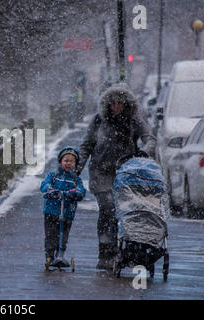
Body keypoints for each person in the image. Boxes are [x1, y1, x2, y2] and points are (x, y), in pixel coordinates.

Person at [76, 82, 157, 270]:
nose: (117, 107)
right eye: (113, 103)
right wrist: (76, 169)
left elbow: (150, 139)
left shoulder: (133, 120)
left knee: (128, 211)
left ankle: (128, 249)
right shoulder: (99, 120)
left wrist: (144, 152)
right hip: (101, 172)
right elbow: (87, 145)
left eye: (120, 103)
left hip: (126, 172)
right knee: (107, 208)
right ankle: (106, 252)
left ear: (126, 104)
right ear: (108, 104)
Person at [40, 146, 86, 269]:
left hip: (67, 213)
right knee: (51, 234)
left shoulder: (76, 179)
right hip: (51, 211)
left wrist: (76, 192)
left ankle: (60, 254)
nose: (68, 163)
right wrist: (51, 190)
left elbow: (81, 191)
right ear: (61, 161)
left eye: (71, 161)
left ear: (75, 164)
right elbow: (44, 185)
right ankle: (49, 255)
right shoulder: (53, 176)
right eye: (66, 160)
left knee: (63, 235)